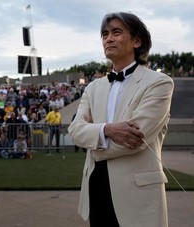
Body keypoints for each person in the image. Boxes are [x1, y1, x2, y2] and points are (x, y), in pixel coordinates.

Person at [68, 12, 174, 227]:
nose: (109, 38)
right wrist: (107, 130)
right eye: (105, 34)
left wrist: (93, 137)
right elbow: (75, 130)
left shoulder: (159, 82)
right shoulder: (92, 87)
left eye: (116, 32)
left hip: (137, 195)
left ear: (137, 41)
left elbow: (137, 139)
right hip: (95, 188)